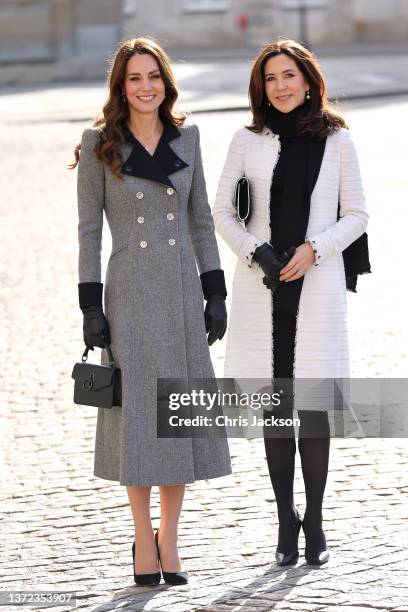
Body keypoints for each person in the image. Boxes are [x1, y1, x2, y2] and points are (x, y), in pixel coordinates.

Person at [70, 37, 231, 586]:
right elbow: (88, 232)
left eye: (153, 76)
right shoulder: (99, 144)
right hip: (129, 295)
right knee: (138, 420)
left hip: (182, 292)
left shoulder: (189, 137)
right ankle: (143, 535)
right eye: (135, 78)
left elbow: (202, 221)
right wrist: (91, 306)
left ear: (166, 82)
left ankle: (171, 537)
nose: (145, 87)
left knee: (177, 418)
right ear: (121, 86)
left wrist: (216, 292)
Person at [213, 39, 369, 566]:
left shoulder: (338, 140)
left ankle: (317, 519)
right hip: (262, 290)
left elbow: (357, 215)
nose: (279, 86)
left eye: (288, 75)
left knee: (314, 411)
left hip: (317, 286)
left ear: (308, 80)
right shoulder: (246, 139)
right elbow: (222, 213)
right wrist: (256, 251)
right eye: (269, 78)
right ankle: (286, 520)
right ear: (261, 87)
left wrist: (313, 249)